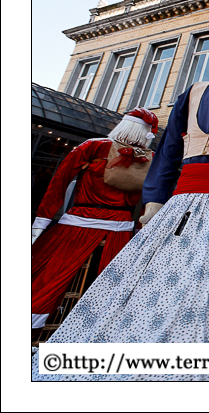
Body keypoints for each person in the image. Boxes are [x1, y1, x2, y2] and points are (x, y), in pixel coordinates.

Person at [32, 27, 209, 381]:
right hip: (181, 206)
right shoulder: (194, 92)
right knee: (154, 283)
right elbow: (169, 149)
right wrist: (155, 199)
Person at [31, 108, 158, 333]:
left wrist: (43, 219)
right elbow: (151, 198)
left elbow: (60, 181)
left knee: (50, 278)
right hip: (119, 230)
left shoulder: (94, 146)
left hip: (79, 225)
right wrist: (141, 230)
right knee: (111, 285)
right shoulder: (151, 158)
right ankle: (91, 332)